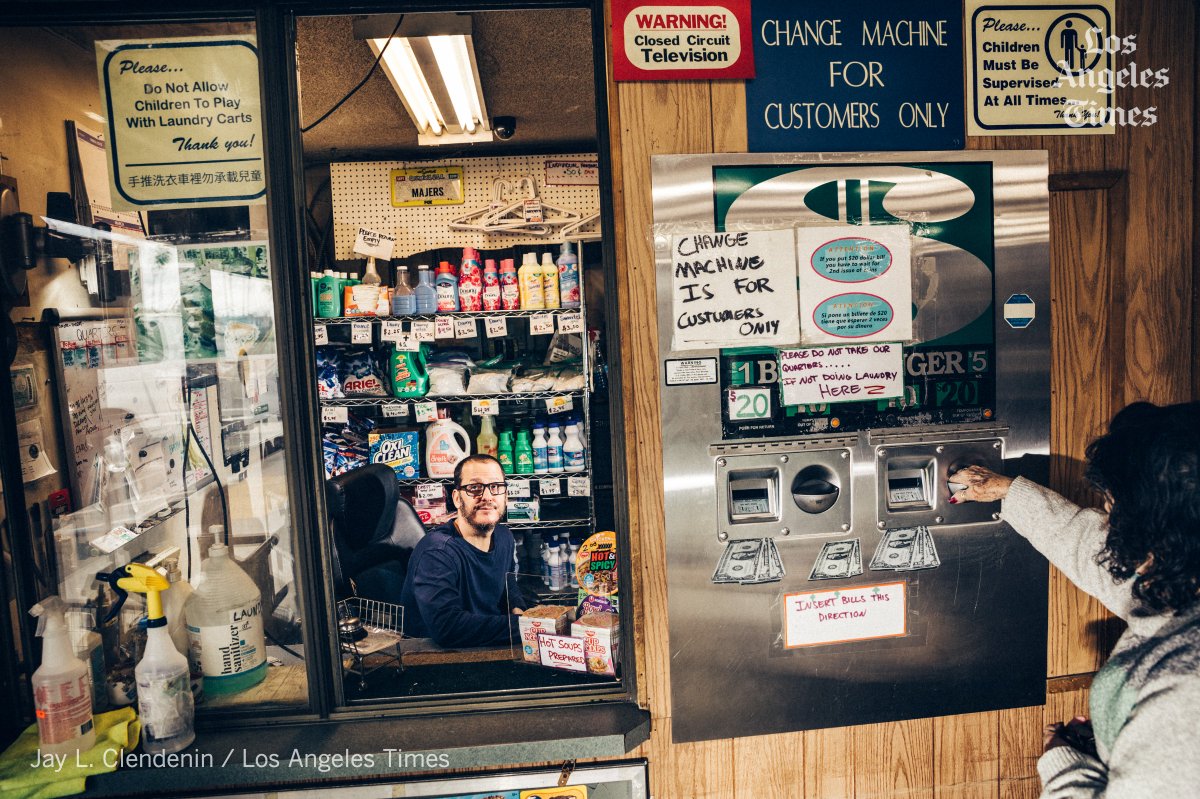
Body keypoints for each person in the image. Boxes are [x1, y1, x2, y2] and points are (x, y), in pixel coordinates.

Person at [950, 401, 1200, 797]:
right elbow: (1096, 554)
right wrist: (1007, 491)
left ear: (1158, 526)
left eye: (1114, 507)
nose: (1107, 515)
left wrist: (1066, 762)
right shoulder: (1182, 586)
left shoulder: (1187, 693)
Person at [400, 454, 527, 647]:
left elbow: (508, 583)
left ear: (506, 496)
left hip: (486, 646)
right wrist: (527, 627)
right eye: (474, 488)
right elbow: (447, 628)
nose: (486, 496)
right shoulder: (436, 552)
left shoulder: (504, 537)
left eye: (495, 487)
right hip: (435, 659)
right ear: (457, 498)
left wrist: (517, 608)